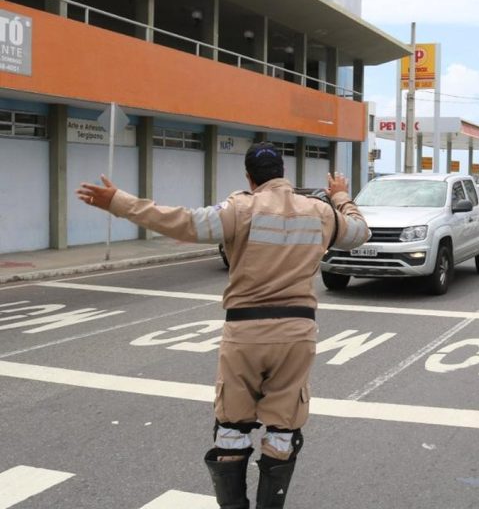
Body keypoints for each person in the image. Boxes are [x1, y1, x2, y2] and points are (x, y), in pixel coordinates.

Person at [76, 142, 370, 509]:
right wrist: (341, 196)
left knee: (231, 429)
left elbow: (182, 221)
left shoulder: (239, 209)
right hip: (297, 336)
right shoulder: (321, 212)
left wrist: (118, 201)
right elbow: (360, 233)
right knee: (283, 430)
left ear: (249, 177)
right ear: (283, 173)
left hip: (244, 335)